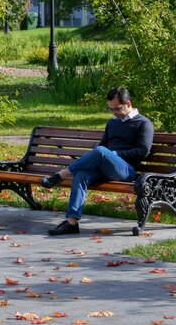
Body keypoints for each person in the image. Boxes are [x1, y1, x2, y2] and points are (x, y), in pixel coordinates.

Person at [42, 87, 153, 235]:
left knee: (101, 152)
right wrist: (105, 154)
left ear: (128, 104)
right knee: (81, 174)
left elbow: (143, 151)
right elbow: (102, 146)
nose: (114, 112)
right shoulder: (113, 123)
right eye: (111, 109)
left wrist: (114, 154)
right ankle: (72, 223)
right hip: (105, 168)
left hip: (126, 170)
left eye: (117, 109)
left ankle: (62, 174)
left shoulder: (143, 123)